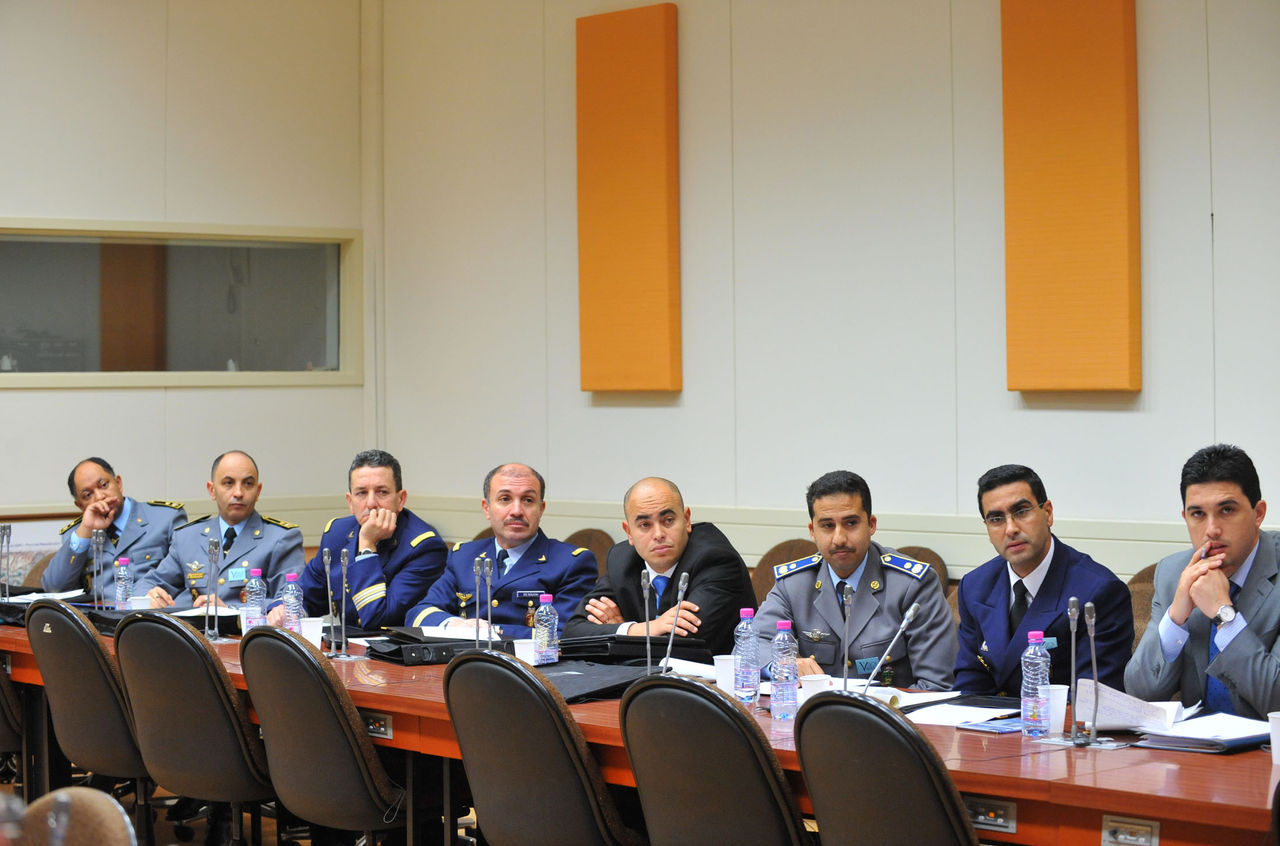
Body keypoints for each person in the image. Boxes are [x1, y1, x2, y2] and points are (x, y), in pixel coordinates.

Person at [754, 470, 956, 689]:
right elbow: (753, 646)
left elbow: (937, 684)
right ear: (812, 531)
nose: (839, 538)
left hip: (887, 717)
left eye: (850, 523)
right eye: (827, 526)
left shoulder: (912, 584)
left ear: (871, 524)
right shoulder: (794, 584)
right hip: (813, 716)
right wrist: (781, 665)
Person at [1126, 444, 1280, 718]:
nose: (1212, 529)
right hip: (1197, 752)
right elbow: (1140, 695)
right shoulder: (1173, 573)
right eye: (1198, 514)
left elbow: (1276, 701)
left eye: (1227, 510)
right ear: (1185, 517)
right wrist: (1176, 617)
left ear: (1258, 513)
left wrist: (1225, 616)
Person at [954, 464, 1133, 695]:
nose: (1010, 529)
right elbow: (970, 686)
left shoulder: (1098, 592)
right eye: (996, 519)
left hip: (1059, 727)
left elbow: (1091, 702)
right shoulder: (975, 587)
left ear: (1047, 513)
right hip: (990, 726)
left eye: (1021, 512)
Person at [564, 477, 756, 655]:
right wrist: (643, 629)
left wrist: (621, 634)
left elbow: (679, 648)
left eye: (668, 520)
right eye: (645, 525)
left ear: (687, 520)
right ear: (629, 532)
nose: (658, 534)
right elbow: (573, 633)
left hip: (713, 686)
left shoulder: (715, 559)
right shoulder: (622, 561)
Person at [405, 463, 597, 637]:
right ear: (486, 508)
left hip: (531, 671)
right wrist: (453, 624)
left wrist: (489, 631)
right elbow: (419, 614)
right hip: (461, 665)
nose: (516, 510)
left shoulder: (571, 563)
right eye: (505, 499)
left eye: (528, 500)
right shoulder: (463, 556)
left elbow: (565, 634)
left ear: (541, 509)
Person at [270, 449, 447, 630]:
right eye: (361, 493)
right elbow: (308, 594)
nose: (371, 503)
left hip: (391, 653)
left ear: (400, 499)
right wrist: (283, 610)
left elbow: (377, 618)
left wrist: (367, 546)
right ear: (350, 502)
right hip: (345, 650)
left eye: (382, 492)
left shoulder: (425, 547)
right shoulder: (337, 534)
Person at [139, 451, 303, 609]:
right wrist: (149, 596)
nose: (238, 493)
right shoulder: (187, 538)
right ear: (212, 490)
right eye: (228, 483)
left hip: (249, 635)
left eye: (248, 484)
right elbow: (148, 583)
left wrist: (232, 609)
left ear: (258, 491)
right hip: (195, 634)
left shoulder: (282, 538)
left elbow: (291, 601)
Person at [43, 457, 186, 595]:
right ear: (80, 505)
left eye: (104, 485)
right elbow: (54, 588)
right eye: (88, 495)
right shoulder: (78, 534)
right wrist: (85, 530)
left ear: (119, 483)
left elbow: (187, 578)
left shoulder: (165, 518)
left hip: (151, 615)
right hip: (97, 618)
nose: (99, 497)